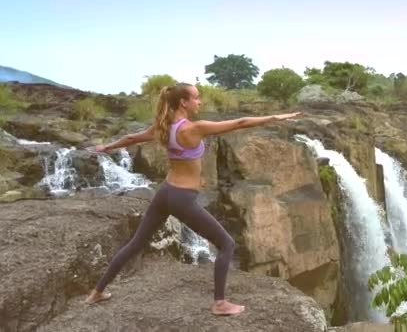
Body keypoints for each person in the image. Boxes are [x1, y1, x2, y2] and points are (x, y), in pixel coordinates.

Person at [84, 82, 301, 316]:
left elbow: (130, 137)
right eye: (196, 98)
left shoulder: (163, 127)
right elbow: (240, 123)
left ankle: (97, 292)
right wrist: (275, 117)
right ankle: (220, 303)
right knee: (226, 244)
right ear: (183, 103)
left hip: (165, 192)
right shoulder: (194, 129)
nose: (200, 102)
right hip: (182, 198)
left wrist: (106, 146)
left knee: (136, 243)